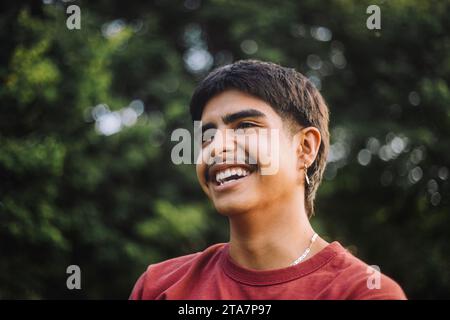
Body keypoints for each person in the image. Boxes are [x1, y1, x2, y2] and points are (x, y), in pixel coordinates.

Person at [130, 59, 407, 300]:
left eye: (246, 126)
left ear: (305, 148)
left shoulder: (363, 292)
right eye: (207, 136)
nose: (216, 147)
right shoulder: (159, 287)